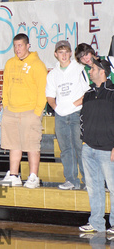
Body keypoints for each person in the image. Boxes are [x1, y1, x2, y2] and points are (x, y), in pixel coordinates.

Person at [0, 34, 47, 188]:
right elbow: (5, 86)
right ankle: (13, 175)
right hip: (11, 111)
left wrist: (37, 111)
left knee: (32, 145)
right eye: (15, 45)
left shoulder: (37, 64)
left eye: (20, 45)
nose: (17, 49)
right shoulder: (10, 63)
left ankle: (33, 177)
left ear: (28, 46)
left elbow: (42, 90)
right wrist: (5, 107)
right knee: (13, 144)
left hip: (30, 111)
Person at [45, 40, 88, 190]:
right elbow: (50, 96)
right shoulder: (52, 74)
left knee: (80, 148)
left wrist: (73, 105)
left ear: (70, 53)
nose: (63, 55)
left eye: (66, 52)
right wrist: (57, 107)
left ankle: (87, 181)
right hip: (61, 116)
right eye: (60, 52)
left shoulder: (80, 69)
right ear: (56, 54)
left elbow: (88, 92)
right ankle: (71, 180)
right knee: (65, 149)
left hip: (77, 113)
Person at [78, 58, 114, 234]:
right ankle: (97, 223)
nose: (90, 72)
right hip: (89, 148)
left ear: (102, 72)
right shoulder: (89, 94)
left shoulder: (113, 93)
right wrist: (84, 139)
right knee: (94, 187)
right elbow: (83, 118)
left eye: (92, 69)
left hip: (108, 149)